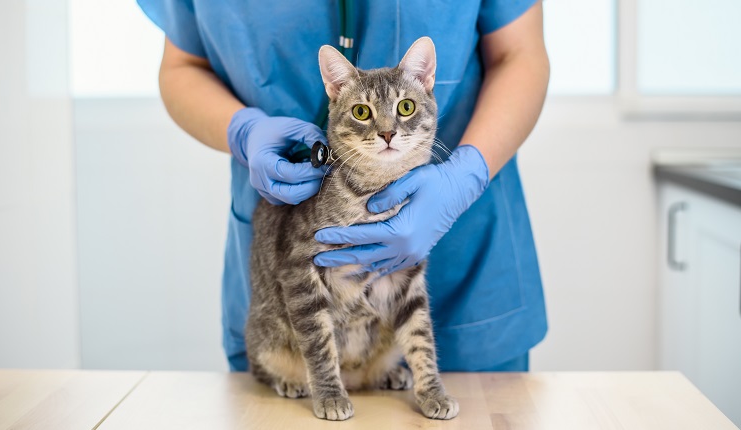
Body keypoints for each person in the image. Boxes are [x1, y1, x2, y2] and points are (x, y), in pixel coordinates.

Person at [138, 0, 550, 372]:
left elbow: (519, 54)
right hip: (292, 259)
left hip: (467, 259)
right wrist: (244, 131)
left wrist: (468, 172)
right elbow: (182, 66)